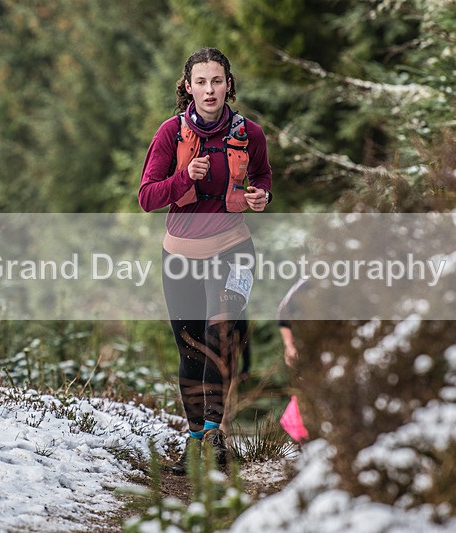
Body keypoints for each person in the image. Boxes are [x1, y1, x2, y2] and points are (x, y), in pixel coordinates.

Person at [139, 48, 272, 474]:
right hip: (181, 256)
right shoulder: (169, 134)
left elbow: (264, 176)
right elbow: (147, 198)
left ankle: (217, 438)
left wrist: (261, 196)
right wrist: (184, 178)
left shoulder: (249, 132)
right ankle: (194, 441)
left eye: (217, 81)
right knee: (191, 350)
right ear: (188, 87)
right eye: (201, 82)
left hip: (234, 249)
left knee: (220, 338)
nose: (210, 90)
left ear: (228, 84)